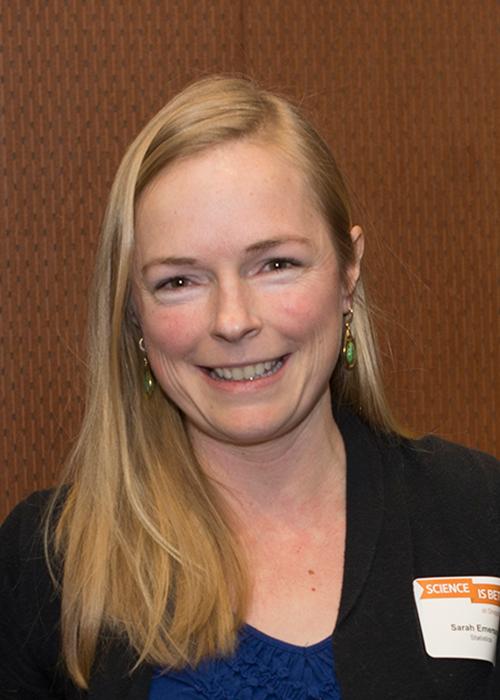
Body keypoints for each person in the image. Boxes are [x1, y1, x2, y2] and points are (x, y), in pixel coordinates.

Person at [1, 76, 499, 700]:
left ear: (348, 273)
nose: (233, 321)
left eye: (276, 265)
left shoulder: (479, 513)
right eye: (180, 281)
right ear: (133, 312)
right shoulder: (48, 566)